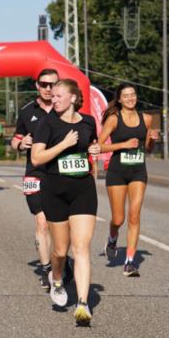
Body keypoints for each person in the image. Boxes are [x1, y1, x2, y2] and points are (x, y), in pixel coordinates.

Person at [29, 79, 100, 325]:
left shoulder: (88, 122)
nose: (54, 98)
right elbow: (36, 158)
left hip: (83, 189)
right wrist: (63, 145)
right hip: (55, 191)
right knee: (60, 251)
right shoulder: (47, 123)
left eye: (59, 95)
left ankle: (82, 303)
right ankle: (57, 279)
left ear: (73, 98)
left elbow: (91, 146)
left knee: (81, 247)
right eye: (53, 95)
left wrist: (94, 150)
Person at [98, 85, 159, 276]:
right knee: (119, 219)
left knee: (134, 216)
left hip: (138, 171)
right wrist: (123, 144)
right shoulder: (114, 119)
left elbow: (148, 148)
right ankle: (112, 238)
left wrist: (153, 139)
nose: (130, 98)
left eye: (133, 95)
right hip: (117, 172)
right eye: (126, 96)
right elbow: (99, 146)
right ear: (120, 99)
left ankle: (130, 262)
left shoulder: (146, 119)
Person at [11, 69, 58, 286]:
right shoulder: (26, 111)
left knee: (59, 224)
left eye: (52, 84)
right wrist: (21, 144)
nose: (48, 88)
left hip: (59, 173)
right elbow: (15, 140)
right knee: (42, 222)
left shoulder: (64, 107)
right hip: (35, 173)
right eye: (44, 84)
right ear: (37, 86)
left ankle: (59, 259)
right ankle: (47, 269)